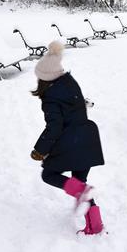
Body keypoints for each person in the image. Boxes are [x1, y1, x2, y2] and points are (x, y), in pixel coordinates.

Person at [30, 41, 105, 235]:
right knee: (80, 182)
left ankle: (82, 194)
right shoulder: (69, 83)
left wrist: (40, 150)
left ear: (44, 79)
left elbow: (54, 127)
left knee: (49, 175)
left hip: (71, 142)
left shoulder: (50, 98)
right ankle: (94, 224)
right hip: (87, 139)